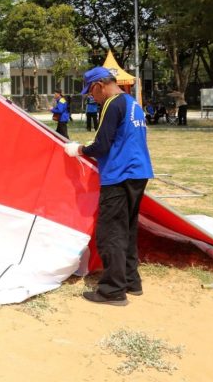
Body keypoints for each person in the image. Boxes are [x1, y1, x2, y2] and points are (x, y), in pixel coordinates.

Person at [64, 67, 153, 306]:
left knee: (110, 232)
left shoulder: (112, 103)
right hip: (139, 172)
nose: (92, 97)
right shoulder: (131, 102)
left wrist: (80, 149)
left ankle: (112, 290)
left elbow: (102, 146)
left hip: (119, 174)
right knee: (127, 228)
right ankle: (131, 281)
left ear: (100, 85)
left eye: (91, 92)